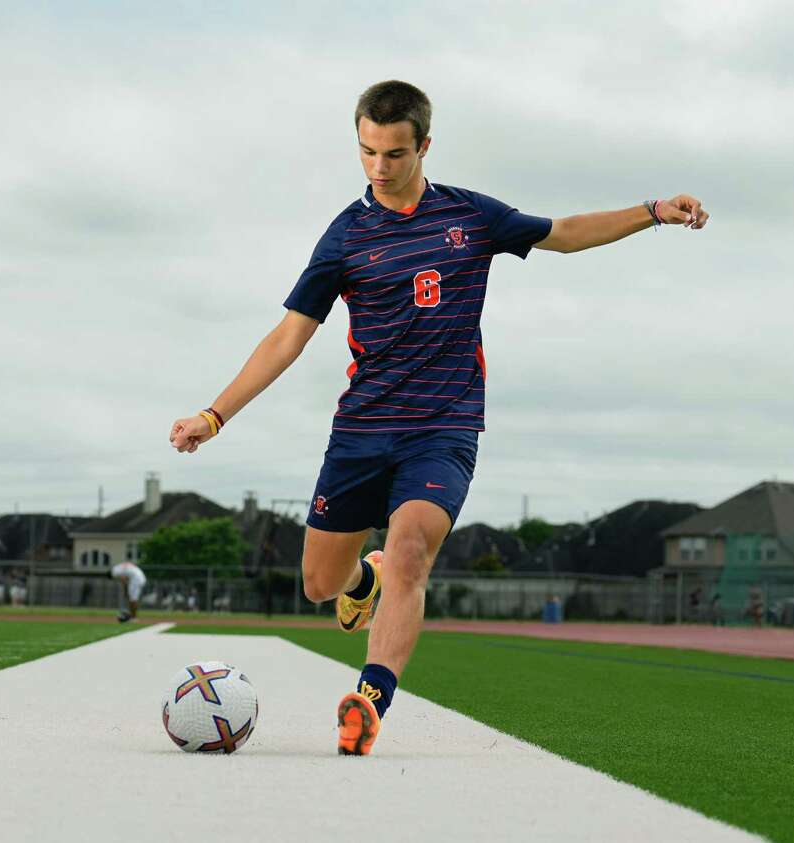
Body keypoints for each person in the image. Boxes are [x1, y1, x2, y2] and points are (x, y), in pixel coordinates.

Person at [168, 80, 708, 755]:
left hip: (444, 427)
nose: (379, 167)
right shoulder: (345, 237)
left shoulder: (471, 216)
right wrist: (214, 415)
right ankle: (363, 579)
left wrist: (653, 211)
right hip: (362, 430)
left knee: (411, 550)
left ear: (424, 145)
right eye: (367, 151)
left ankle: (368, 701)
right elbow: (287, 337)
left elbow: (564, 234)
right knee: (319, 584)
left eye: (394, 153)